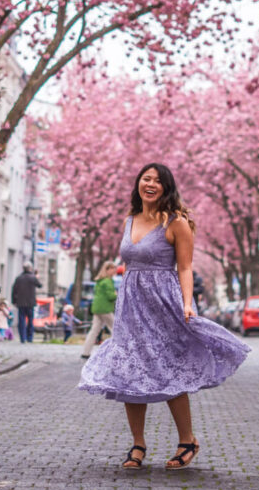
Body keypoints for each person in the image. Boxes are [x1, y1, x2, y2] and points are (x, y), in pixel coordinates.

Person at [79, 162, 249, 470]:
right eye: (146, 178)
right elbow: (129, 265)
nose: (151, 184)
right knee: (130, 369)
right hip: (132, 305)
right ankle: (137, 445)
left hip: (163, 302)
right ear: (138, 183)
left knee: (170, 367)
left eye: (158, 181)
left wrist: (187, 303)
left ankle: (187, 440)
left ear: (166, 187)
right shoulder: (129, 219)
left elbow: (185, 268)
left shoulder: (176, 223)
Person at [81, 260, 118, 360]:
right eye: (113, 268)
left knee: (94, 331)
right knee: (116, 329)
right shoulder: (107, 281)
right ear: (108, 269)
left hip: (97, 308)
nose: (115, 270)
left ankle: (86, 352)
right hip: (105, 308)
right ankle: (119, 352)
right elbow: (111, 296)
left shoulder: (99, 280)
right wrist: (116, 294)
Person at [11, 264, 42, 344]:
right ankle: (30, 338)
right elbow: (39, 285)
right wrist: (37, 277)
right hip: (30, 302)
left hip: (20, 302)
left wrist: (14, 301)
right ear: (30, 268)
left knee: (21, 320)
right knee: (30, 320)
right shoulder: (33, 278)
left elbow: (14, 290)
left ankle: (22, 338)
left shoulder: (19, 278)